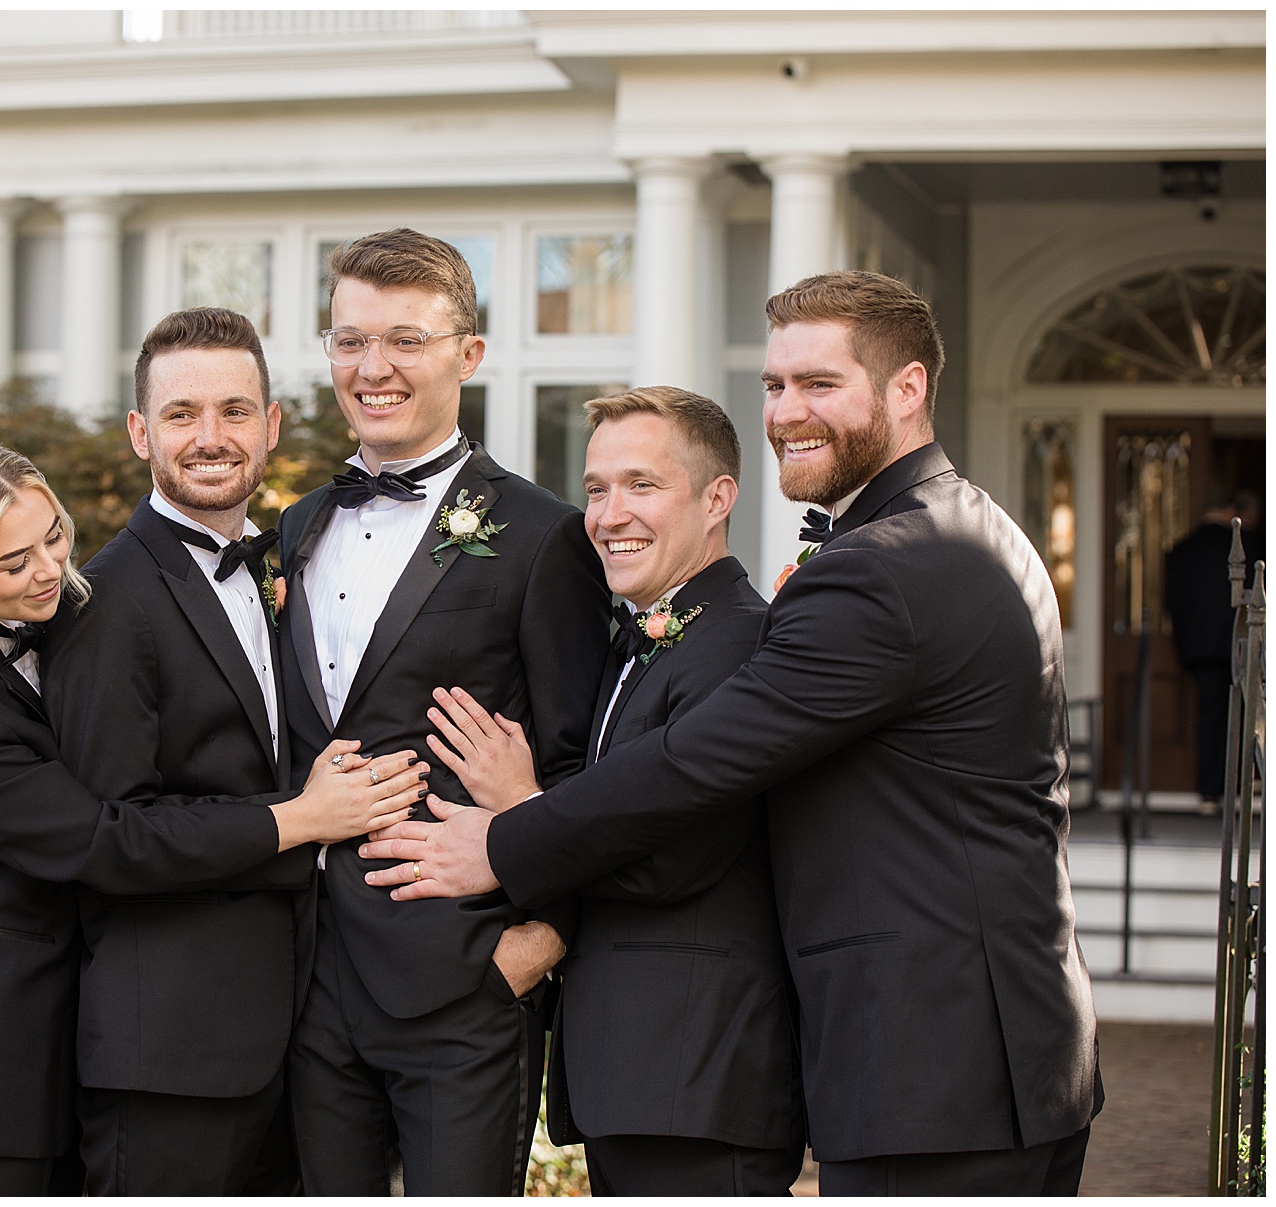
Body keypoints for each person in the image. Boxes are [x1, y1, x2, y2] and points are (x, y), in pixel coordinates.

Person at [362, 271, 1103, 1196]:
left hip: (936, 1054)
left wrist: (509, 836)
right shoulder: (953, 530)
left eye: (820, 384)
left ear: (907, 390)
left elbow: (696, 763)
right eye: (774, 385)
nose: (788, 411)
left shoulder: (890, 566)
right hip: (974, 1048)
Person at [0, 437, 426, 1196]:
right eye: (13, 562)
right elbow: (102, 839)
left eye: (53, 536)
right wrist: (299, 818)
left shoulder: (45, 623)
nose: (49, 570)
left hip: (68, 1029)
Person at [276, 228, 611, 1196]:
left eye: (404, 341)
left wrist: (542, 939)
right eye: (349, 340)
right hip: (304, 983)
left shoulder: (545, 537)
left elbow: (591, 758)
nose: (371, 367)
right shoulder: (294, 528)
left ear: (468, 354)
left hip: (466, 979)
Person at [420, 386, 805, 1195]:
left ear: (717, 500)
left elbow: (674, 856)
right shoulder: (647, 637)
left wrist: (522, 810)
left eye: (641, 485)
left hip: (698, 1075)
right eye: (596, 489)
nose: (607, 513)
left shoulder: (740, 643)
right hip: (647, 1077)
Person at [42, 307, 307, 1194]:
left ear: (270, 426)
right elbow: (112, 834)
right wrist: (293, 822)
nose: (210, 437)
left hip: (290, 1042)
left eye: (235, 411)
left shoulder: (284, 571)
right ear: (140, 432)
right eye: (182, 413)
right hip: (168, 1055)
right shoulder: (108, 600)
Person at [1165, 489, 1263, 804]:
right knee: (1250, 713)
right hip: (1246, 642)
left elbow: (1173, 603)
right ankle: (1252, 782)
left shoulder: (1181, 551)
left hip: (1201, 647)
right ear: (1230, 510)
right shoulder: (1250, 543)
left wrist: (1185, 641)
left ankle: (1210, 792)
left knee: (1211, 717)